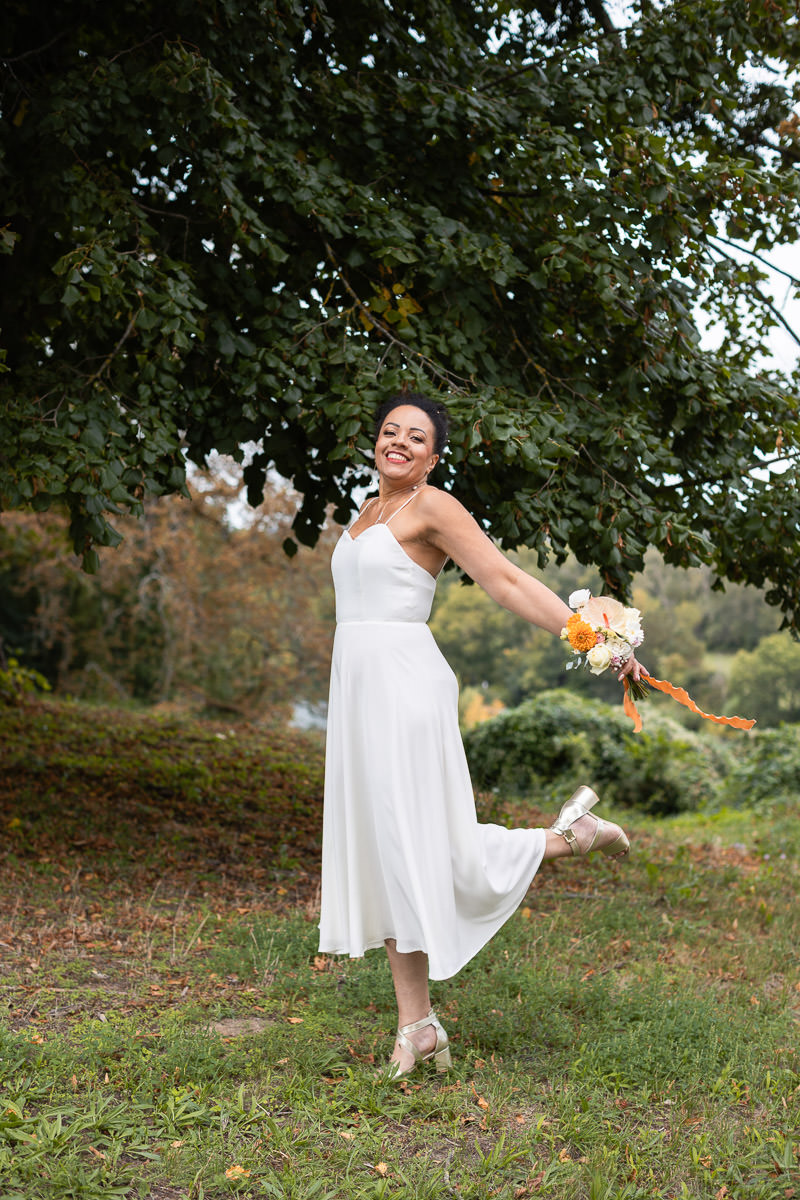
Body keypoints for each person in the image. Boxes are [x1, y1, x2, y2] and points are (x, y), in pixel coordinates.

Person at [318, 394, 643, 1080]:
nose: (399, 442)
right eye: (389, 431)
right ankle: (418, 1026)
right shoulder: (368, 512)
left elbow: (504, 579)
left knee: (421, 846)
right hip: (357, 691)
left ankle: (568, 838)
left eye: (416, 437)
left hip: (405, 689)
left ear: (434, 457)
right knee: (387, 855)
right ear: (375, 443)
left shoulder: (433, 507)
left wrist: (593, 639)